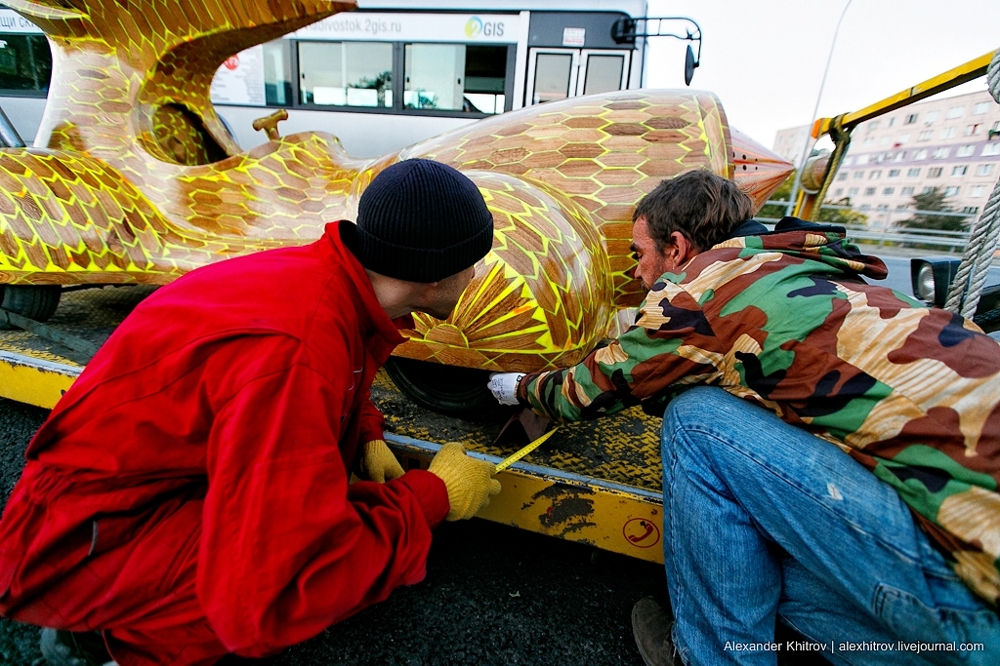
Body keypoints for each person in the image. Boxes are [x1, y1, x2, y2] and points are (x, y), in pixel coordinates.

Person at [0, 158, 502, 666]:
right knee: (256, 584)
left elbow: (319, 376)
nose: (478, 273)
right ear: (435, 279)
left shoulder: (322, 280)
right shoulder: (296, 352)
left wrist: (366, 431)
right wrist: (430, 499)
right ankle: (109, 645)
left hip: (119, 497)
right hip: (85, 540)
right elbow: (281, 588)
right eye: (474, 261)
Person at [487, 169, 1000, 665]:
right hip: (976, 555)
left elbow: (591, 389)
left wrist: (518, 387)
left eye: (639, 255)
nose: (637, 273)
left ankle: (707, 655)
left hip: (971, 579)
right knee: (771, 575)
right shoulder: (813, 271)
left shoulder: (702, 290)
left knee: (697, 420)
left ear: (678, 248)